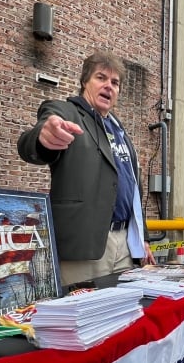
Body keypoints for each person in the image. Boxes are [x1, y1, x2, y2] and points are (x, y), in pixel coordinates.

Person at [18, 50, 155, 286]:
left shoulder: (119, 130)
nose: (109, 86)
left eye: (115, 82)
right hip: (84, 246)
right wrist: (44, 136)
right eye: (101, 78)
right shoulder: (67, 112)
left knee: (123, 318)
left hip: (125, 244)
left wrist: (141, 238)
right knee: (85, 320)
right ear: (84, 82)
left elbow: (132, 190)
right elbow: (30, 142)